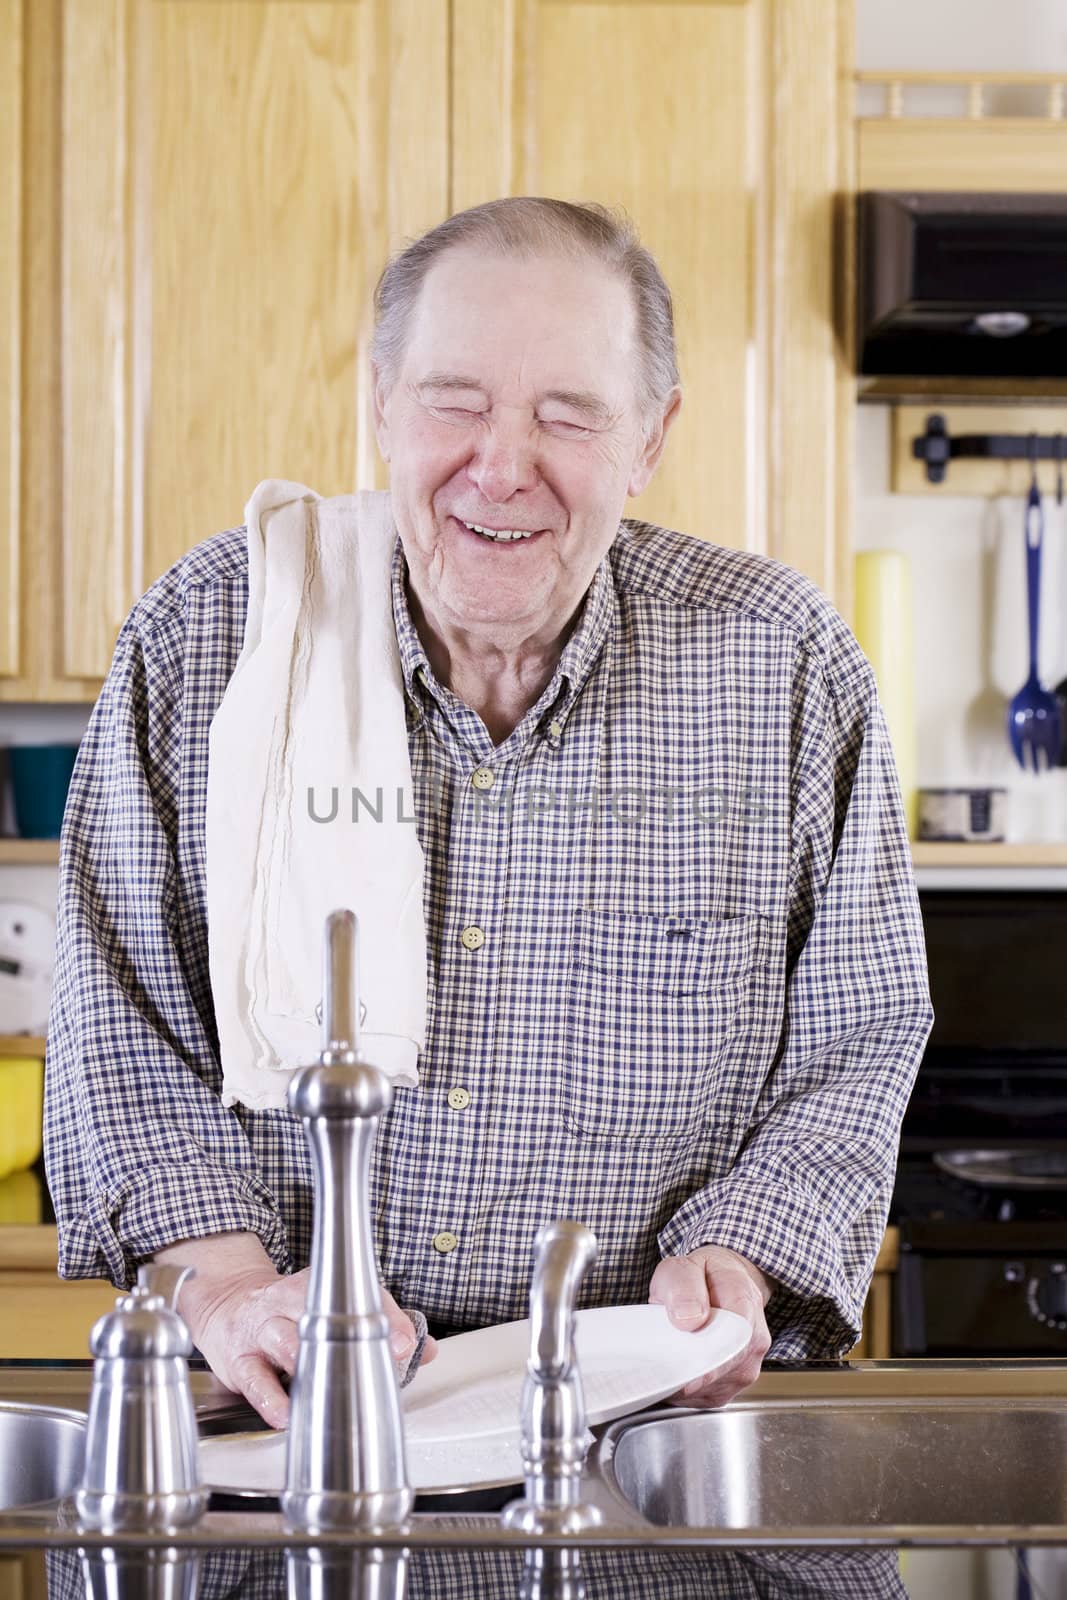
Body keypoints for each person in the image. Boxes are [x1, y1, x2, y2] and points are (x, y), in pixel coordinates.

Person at [44, 197, 933, 1431]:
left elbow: (859, 1031)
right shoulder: (209, 638)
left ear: (649, 439)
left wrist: (743, 1257)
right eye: (454, 400)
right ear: (381, 404)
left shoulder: (778, 661)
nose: (502, 464)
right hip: (289, 1412)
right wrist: (239, 1289)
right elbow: (118, 1021)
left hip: (647, 1409)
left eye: (567, 413)